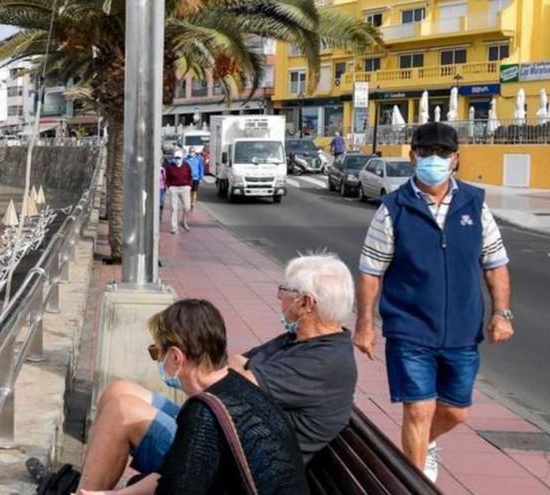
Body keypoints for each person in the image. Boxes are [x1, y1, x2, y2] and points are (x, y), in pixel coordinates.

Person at [76, 253, 357, 490]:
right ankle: (88, 486)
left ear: (306, 303)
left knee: (122, 411)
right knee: (119, 390)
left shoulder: (324, 361)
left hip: (233, 459)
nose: (280, 299)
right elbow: (231, 365)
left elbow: (232, 391)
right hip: (224, 431)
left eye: (285, 292)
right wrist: (239, 369)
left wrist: (241, 369)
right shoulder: (300, 341)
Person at [355, 122, 513, 483]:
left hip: (462, 331)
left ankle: (420, 447)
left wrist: (501, 313)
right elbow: (370, 271)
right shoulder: (393, 208)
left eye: (443, 153)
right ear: (413, 156)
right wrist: (365, 324)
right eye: (427, 153)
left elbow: (495, 263)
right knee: (419, 410)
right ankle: (413, 484)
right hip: (409, 330)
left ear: (456, 159)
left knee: (456, 412)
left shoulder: (475, 204)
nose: (435, 160)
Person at [78, 299, 308, 495]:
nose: (158, 361)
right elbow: (172, 472)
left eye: (156, 352)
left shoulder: (202, 414)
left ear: (177, 357)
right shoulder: (238, 388)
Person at [163, 150, 192, 235]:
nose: (177, 159)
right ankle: (174, 228)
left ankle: (183, 221)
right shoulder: (170, 167)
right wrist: (169, 187)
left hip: (185, 188)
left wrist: (189, 186)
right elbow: (166, 178)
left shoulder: (186, 166)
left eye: (179, 158)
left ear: (182, 158)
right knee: (174, 208)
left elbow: (190, 176)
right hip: (174, 188)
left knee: (187, 207)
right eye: (175, 158)